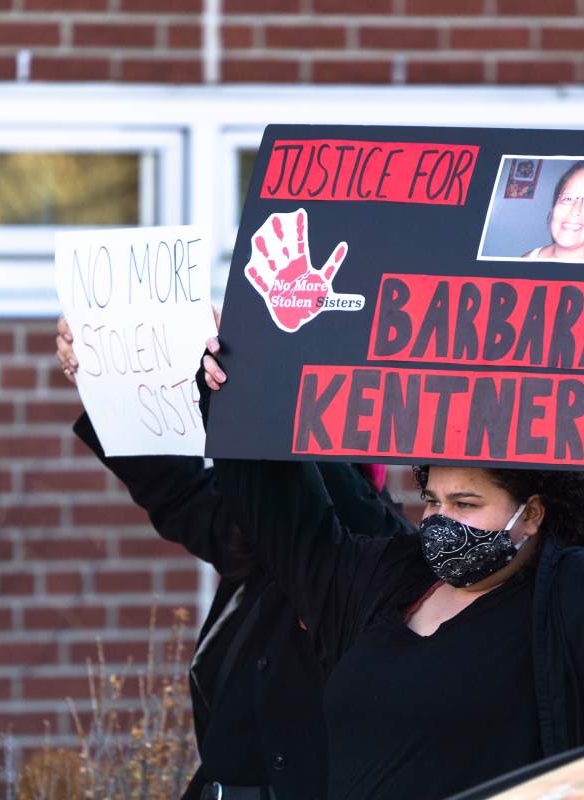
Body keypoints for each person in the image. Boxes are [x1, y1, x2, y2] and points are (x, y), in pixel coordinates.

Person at [200, 327, 584, 800]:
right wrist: (240, 390)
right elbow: (290, 528)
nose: (442, 520)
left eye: (466, 504)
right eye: (433, 501)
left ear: (532, 514)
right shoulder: (385, 582)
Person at [56, 316, 413, 800]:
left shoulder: (391, 552)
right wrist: (112, 379)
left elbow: (326, 505)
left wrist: (261, 381)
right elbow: (189, 500)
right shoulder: (269, 526)